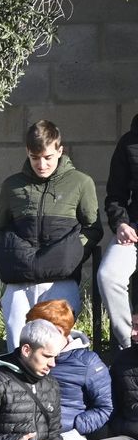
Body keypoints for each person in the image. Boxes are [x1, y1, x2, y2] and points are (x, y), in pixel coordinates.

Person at [0, 119, 103, 349]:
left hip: (60, 280)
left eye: (48, 157)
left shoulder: (81, 183)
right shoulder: (12, 186)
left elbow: (93, 228)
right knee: (18, 345)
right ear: (27, 152)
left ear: (60, 150)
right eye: (34, 157)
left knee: (56, 345)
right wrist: (1, 256)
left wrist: (71, 255)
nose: (41, 164)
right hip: (19, 281)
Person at [22, 299, 111, 440]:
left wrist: (77, 424)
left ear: (60, 332)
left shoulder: (87, 363)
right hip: (26, 430)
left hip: (68, 433)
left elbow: (104, 407)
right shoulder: (26, 355)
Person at [99, 113, 138, 350]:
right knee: (108, 275)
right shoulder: (128, 142)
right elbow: (115, 196)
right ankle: (129, 347)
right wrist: (121, 224)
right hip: (134, 227)